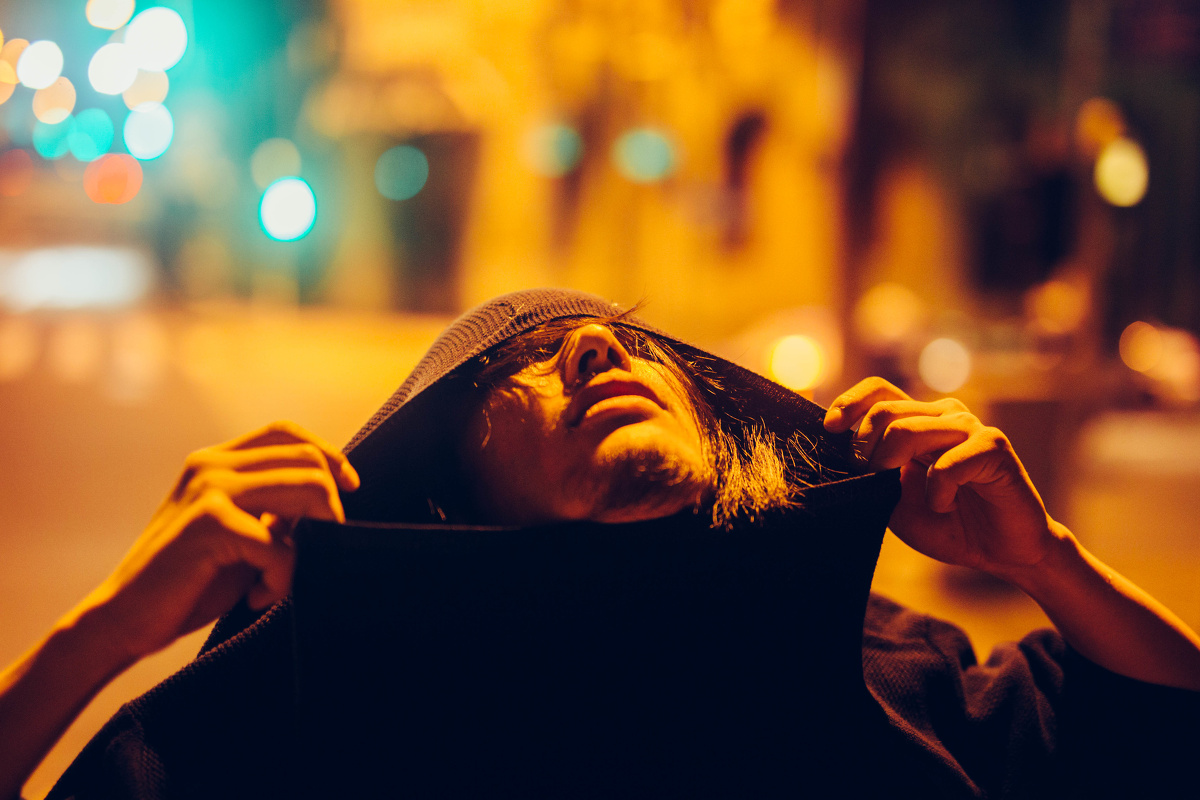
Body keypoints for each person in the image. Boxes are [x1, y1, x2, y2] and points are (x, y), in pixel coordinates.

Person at [2, 288, 1198, 799]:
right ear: (447, 494)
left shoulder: (877, 667)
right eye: (518, 363)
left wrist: (1045, 560)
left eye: (630, 341)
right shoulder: (327, 714)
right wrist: (96, 635)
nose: (597, 347)